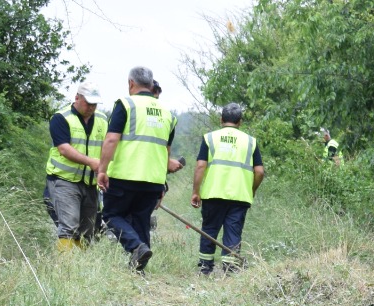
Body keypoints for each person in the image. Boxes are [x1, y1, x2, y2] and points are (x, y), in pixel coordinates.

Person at [98, 67, 184, 270]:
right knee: (141, 220)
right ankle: (139, 269)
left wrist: (102, 170)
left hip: (125, 175)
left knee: (111, 215)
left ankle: (135, 246)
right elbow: (166, 151)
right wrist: (163, 182)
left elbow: (111, 139)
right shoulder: (168, 114)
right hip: (153, 180)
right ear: (151, 84)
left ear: (131, 83)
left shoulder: (126, 105)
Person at [191, 103, 264, 275]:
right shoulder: (250, 142)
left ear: (221, 119)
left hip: (213, 194)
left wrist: (196, 191)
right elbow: (259, 171)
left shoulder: (210, 138)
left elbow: (200, 166)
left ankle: (205, 268)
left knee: (209, 230)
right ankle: (230, 270)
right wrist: (251, 189)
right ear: (240, 122)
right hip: (240, 195)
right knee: (233, 232)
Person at [45, 86, 105, 249]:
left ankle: (82, 266)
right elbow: (64, 149)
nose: (92, 107)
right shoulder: (61, 118)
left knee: (88, 229)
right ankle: (65, 269)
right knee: (69, 225)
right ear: (77, 98)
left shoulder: (102, 119)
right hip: (64, 180)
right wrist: (91, 162)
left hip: (90, 183)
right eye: (89, 103)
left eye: (95, 104)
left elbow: (108, 147)